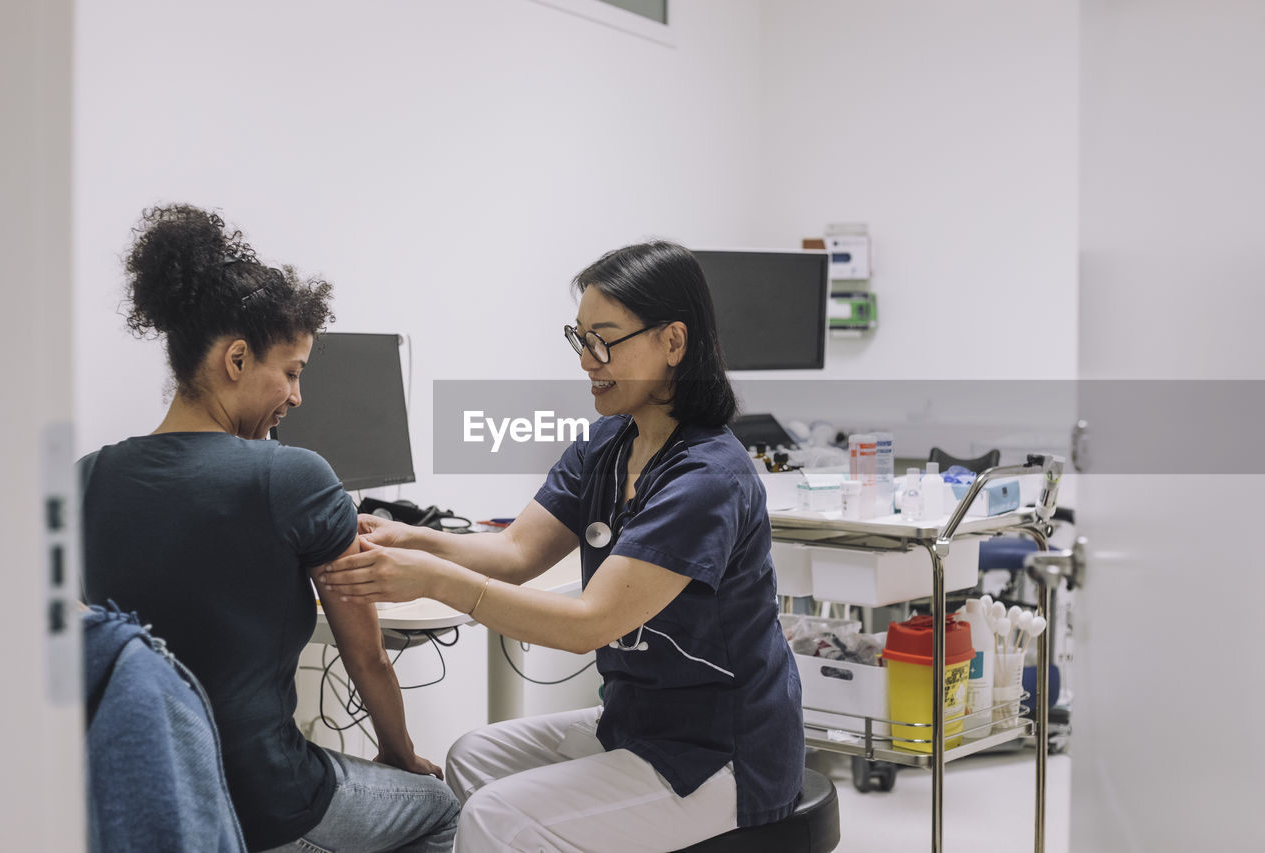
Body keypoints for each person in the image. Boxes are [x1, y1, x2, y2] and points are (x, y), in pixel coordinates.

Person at [321, 240, 804, 851]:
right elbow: (517, 552)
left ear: (673, 343)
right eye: (579, 339)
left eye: (604, 340)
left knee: (499, 817)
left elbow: (587, 624)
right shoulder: (608, 444)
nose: (587, 361)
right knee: (472, 758)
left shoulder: (706, 478)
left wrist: (434, 579)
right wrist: (414, 538)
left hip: (724, 754)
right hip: (640, 723)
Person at [80, 204, 459, 853]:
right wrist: (399, 753)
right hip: (269, 806)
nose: (298, 396)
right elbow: (365, 656)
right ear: (235, 358)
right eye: (292, 371)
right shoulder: (295, 476)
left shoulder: (87, 477)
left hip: (154, 801)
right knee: (443, 806)